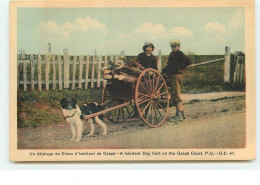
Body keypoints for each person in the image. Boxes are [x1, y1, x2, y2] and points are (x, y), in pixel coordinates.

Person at [162, 39, 191, 123]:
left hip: (176, 75)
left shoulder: (179, 53)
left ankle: (179, 115)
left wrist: (179, 67)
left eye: (175, 46)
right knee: (174, 94)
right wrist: (163, 71)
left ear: (179, 47)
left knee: (176, 94)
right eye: (172, 47)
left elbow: (188, 62)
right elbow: (169, 65)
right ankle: (182, 114)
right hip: (171, 75)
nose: (173, 48)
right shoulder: (172, 54)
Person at [133, 41, 158, 117]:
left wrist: (152, 73)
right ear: (144, 48)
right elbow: (137, 64)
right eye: (147, 47)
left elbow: (155, 68)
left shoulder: (153, 58)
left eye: (150, 47)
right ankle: (136, 112)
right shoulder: (141, 55)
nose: (149, 49)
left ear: (152, 49)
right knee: (135, 92)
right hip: (140, 74)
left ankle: (146, 112)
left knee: (148, 95)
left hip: (149, 77)